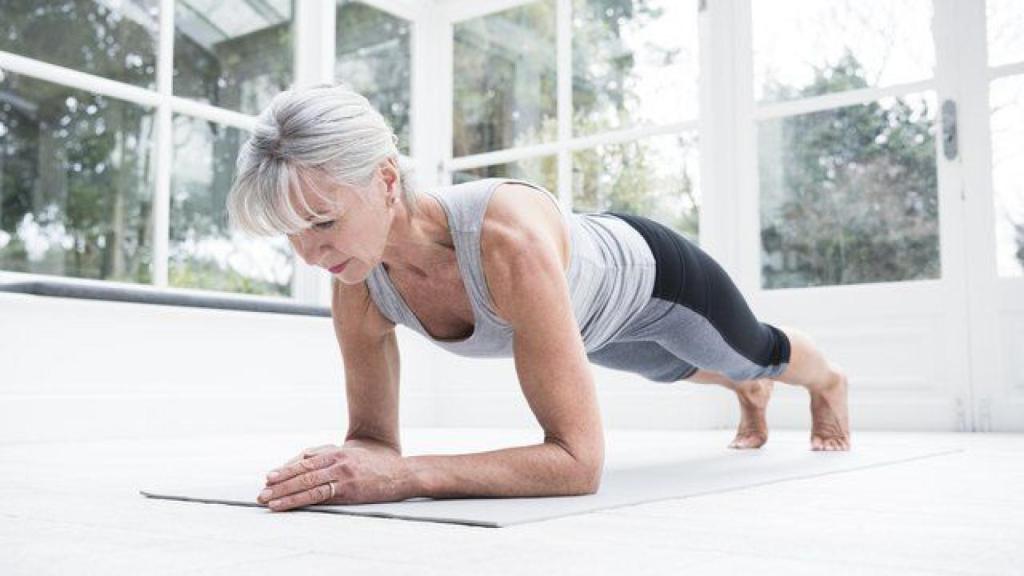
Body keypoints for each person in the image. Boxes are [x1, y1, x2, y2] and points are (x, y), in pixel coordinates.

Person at [227, 84, 850, 513]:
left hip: (657, 281)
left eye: (324, 222)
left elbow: (578, 464)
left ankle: (827, 384)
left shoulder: (507, 242)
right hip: (591, 321)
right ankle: (746, 393)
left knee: (753, 354)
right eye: (292, 233)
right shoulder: (357, 281)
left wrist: (410, 475)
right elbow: (372, 441)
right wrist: (348, 466)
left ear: (386, 179)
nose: (309, 254)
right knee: (673, 369)